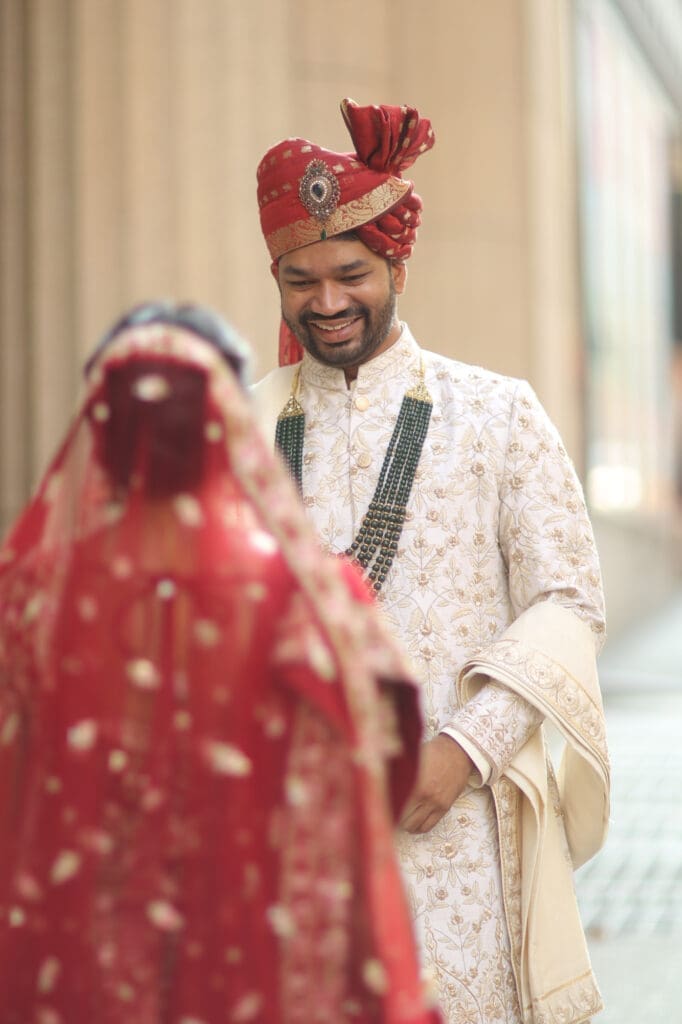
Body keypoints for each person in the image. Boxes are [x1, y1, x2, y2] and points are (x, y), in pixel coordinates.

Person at [252, 99, 611, 1024]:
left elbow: (568, 598)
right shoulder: (241, 425)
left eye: (351, 274)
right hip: (286, 830)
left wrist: (465, 749)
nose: (327, 302)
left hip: (454, 832)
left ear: (396, 267)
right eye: (300, 280)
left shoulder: (497, 414)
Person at [0, 301, 442, 1024]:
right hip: (257, 960)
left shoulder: (26, 603)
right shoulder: (312, 607)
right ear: (232, 426)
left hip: (77, 962)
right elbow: (384, 766)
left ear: (101, 433)